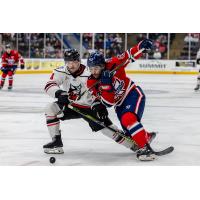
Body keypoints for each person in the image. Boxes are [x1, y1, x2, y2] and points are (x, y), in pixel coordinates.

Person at [43, 49, 134, 154]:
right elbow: (49, 85)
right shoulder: (60, 71)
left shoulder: (89, 73)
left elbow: (99, 91)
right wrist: (59, 93)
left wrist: (99, 104)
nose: (71, 66)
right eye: (68, 63)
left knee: (107, 129)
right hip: (71, 105)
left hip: (89, 107)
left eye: (74, 62)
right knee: (50, 108)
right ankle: (56, 142)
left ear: (79, 61)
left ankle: (133, 145)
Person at [86, 39, 157, 161]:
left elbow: (130, 54)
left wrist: (141, 46)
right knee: (130, 135)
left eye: (96, 68)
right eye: (91, 69)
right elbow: (108, 103)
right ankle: (145, 136)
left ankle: (145, 148)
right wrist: (106, 86)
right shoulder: (91, 82)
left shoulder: (114, 63)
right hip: (119, 105)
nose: (94, 72)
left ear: (103, 65)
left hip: (132, 94)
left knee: (128, 119)